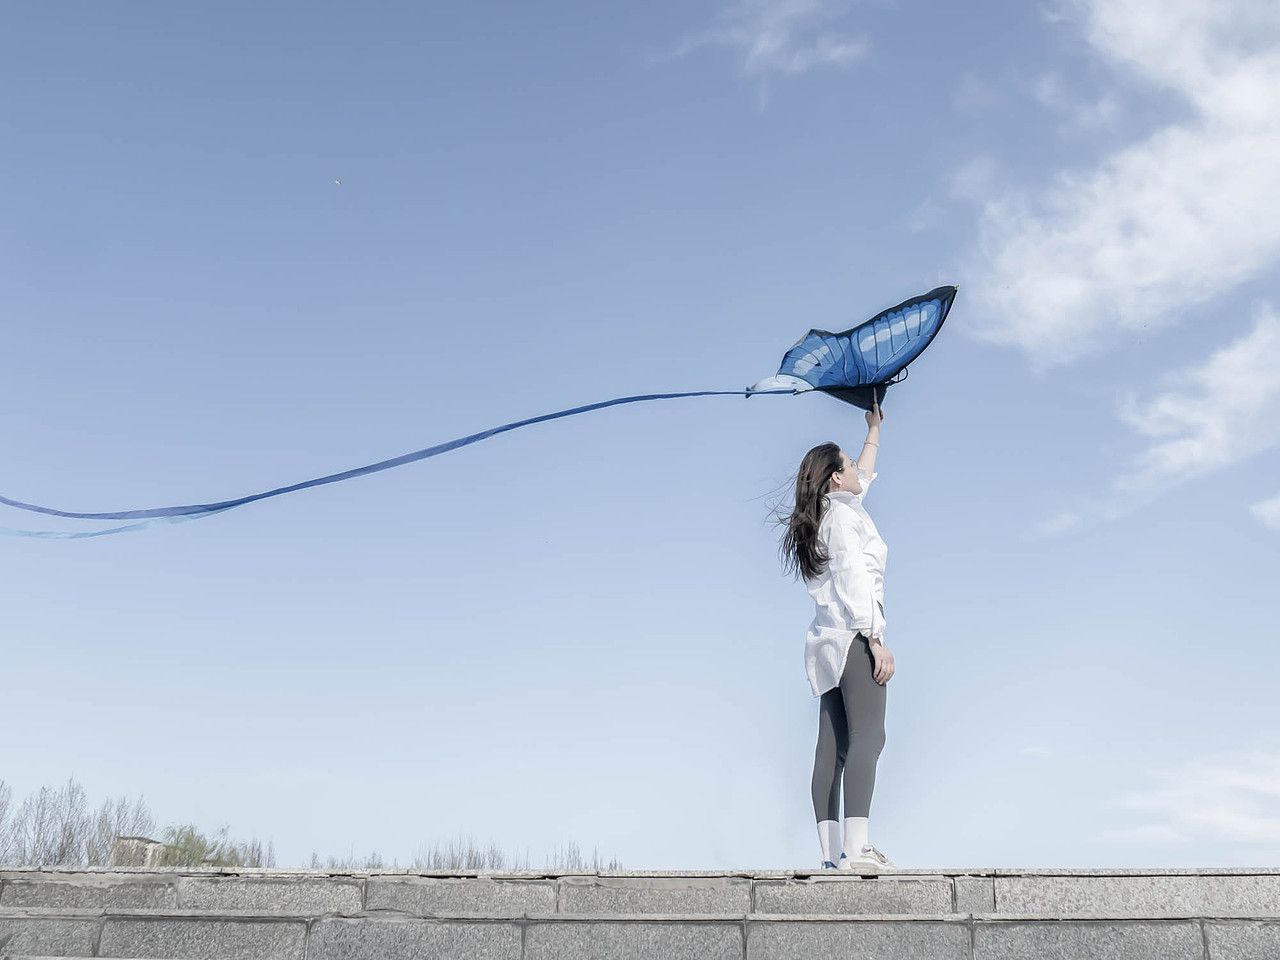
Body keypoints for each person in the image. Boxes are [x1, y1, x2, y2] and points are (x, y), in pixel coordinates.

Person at [780, 399, 896, 871]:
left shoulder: (829, 513)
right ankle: (858, 849)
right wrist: (876, 639)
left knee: (832, 747)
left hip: (826, 645)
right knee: (870, 735)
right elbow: (854, 581)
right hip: (853, 637)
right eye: (847, 464)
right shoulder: (844, 519)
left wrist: (873, 430)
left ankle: (832, 858)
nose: (855, 469)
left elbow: (862, 478)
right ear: (834, 478)